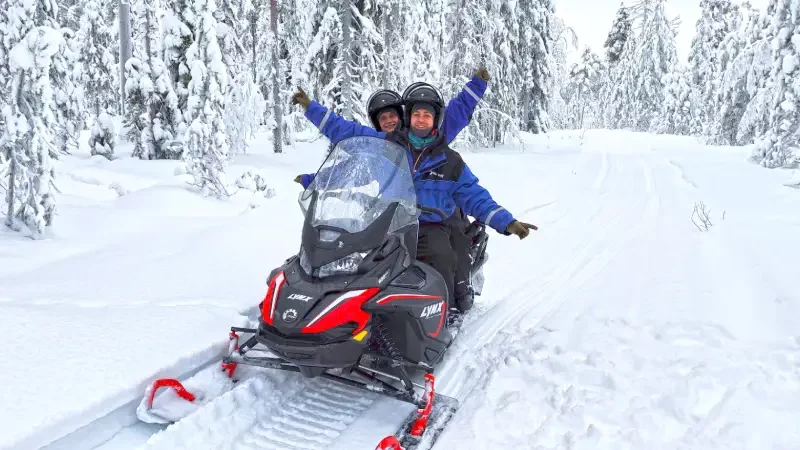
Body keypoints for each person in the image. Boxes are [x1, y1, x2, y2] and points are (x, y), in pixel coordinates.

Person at [290, 82, 537, 316]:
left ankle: (443, 310)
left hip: (430, 224)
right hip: (391, 222)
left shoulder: (450, 160)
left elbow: (475, 196)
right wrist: (311, 110)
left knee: (441, 256)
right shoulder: (387, 145)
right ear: (408, 118)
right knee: (362, 258)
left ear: (435, 120)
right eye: (416, 114)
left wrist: (507, 222)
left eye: (426, 115)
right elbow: (347, 135)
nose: (421, 119)